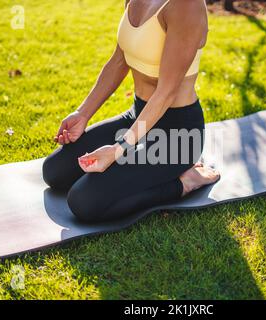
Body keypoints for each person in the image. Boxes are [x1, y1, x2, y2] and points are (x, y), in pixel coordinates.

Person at [42, 0, 220, 223]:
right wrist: (83, 113)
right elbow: (119, 60)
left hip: (176, 136)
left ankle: (184, 182)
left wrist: (119, 149)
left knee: (84, 201)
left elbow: (166, 93)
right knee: (55, 171)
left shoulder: (186, 5)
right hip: (138, 117)